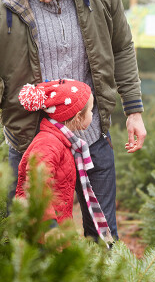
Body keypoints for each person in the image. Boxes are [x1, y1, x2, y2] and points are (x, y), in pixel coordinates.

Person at [0, 0, 146, 241]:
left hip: (90, 137)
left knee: (104, 237)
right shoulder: (5, 4)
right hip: (31, 143)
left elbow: (122, 48)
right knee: (33, 241)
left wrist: (134, 110)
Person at [15, 79, 113, 246]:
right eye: (91, 110)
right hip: (41, 233)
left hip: (57, 226)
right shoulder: (48, 144)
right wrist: (50, 227)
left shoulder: (62, 141)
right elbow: (38, 187)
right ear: (77, 117)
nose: (93, 115)